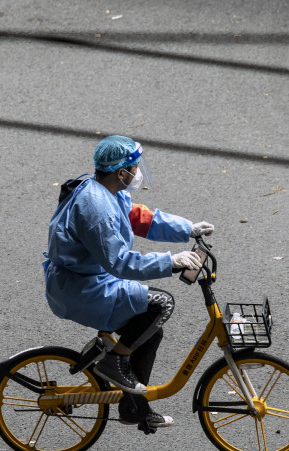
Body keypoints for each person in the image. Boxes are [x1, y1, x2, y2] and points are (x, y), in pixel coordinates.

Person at [43, 135, 214, 432]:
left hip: (92, 278)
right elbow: (120, 262)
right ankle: (112, 363)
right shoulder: (96, 209)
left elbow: (140, 217)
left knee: (150, 333)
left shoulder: (106, 190)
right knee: (161, 304)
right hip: (81, 289)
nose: (138, 173)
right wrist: (171, 262)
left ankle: (135, 407)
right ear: (121, 173)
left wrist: (187, 228)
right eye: (134, 167)